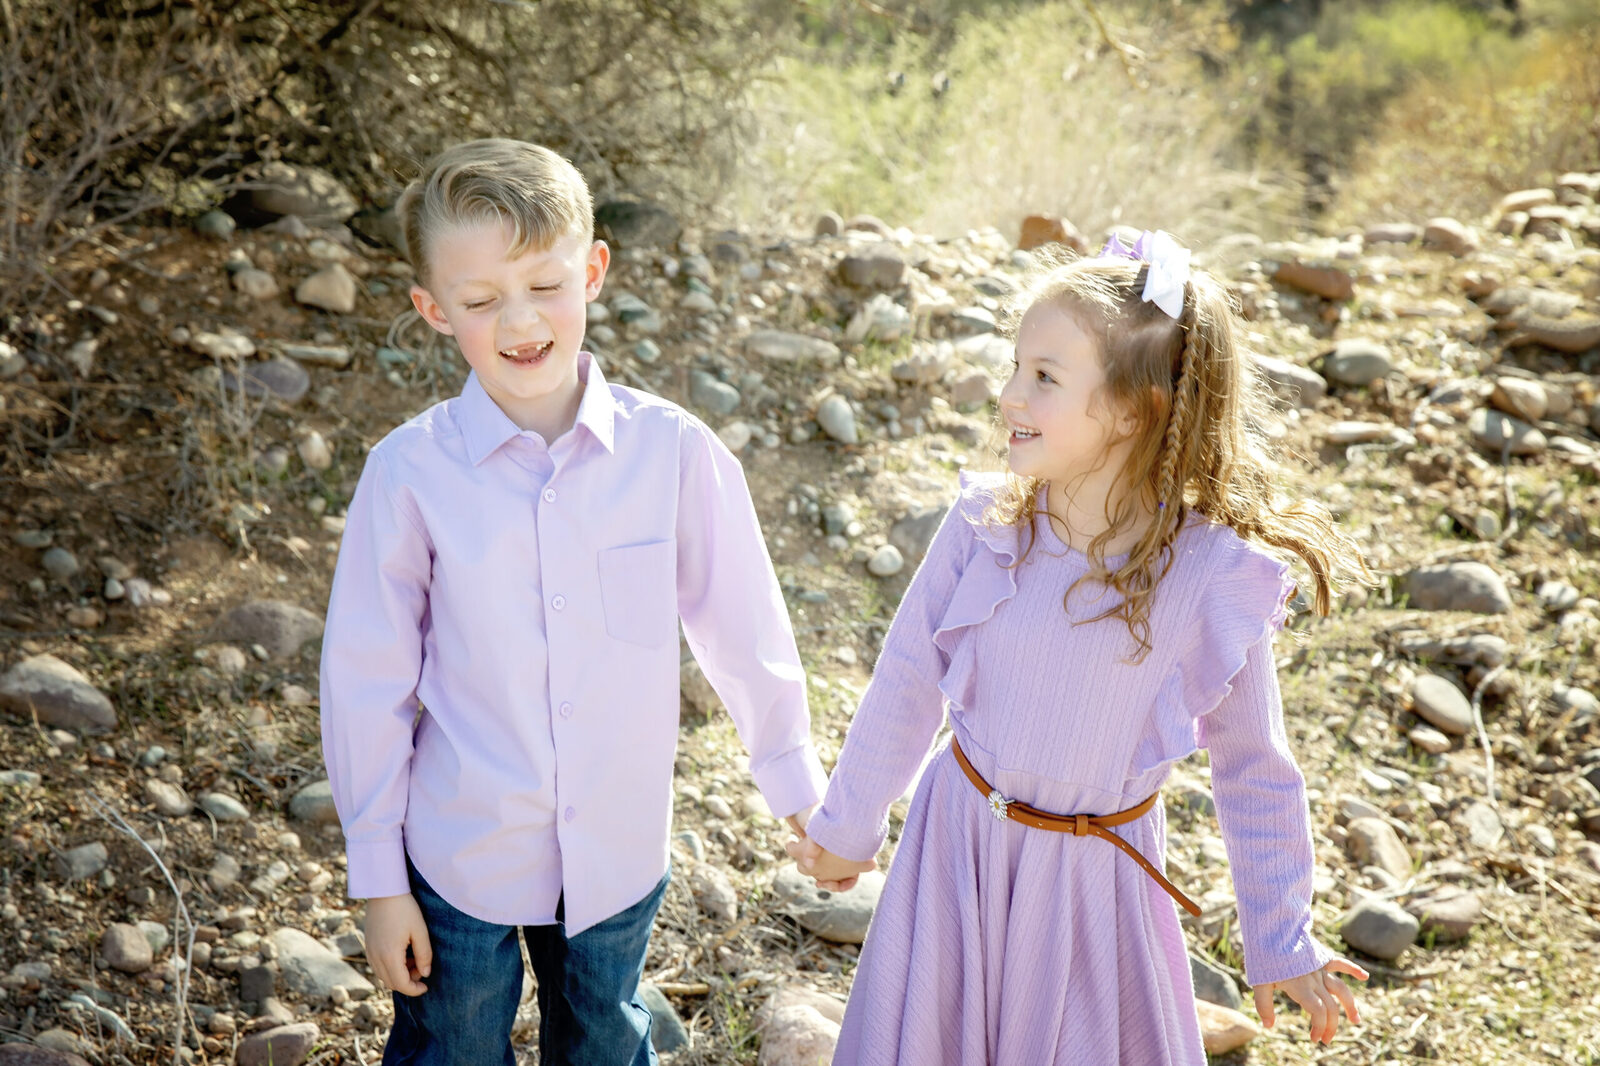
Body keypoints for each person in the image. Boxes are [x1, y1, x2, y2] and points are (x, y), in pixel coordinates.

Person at [787, 231, 1371, 1065]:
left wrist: (1281, 936)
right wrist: (848, 825)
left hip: (1098, 886)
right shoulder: (985, 525)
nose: (1010, 397)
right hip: (959, 855)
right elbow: (909, 679)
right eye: (1016, 368)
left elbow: (1254, 765)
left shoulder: (1208, 574)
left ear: (1134, 411)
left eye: (1045, 379)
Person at [319, 138, 826, 1066]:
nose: (520, 320)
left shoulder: (670, 452)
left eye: (546, 285)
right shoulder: (410, 475)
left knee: (603, 1041)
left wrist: (795, 786)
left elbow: (742, 626)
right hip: (461, 851)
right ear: (434, 310)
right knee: (452, 1049)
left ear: (593, 271)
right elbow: (367, 682)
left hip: (618, 852)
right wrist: (378, 877)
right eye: (480, 301)